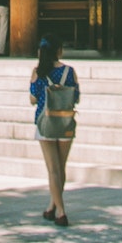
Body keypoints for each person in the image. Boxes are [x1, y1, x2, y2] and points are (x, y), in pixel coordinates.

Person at [30, 35, 79, 227]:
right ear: (59, 50)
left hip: (46, 122)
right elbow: (76, 96)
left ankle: (61, 211)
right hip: (65, 121)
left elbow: (33, 98)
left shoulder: (38, 72)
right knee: (61, 167)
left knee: (52, 169)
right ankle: (52, 205)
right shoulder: (69, 71)